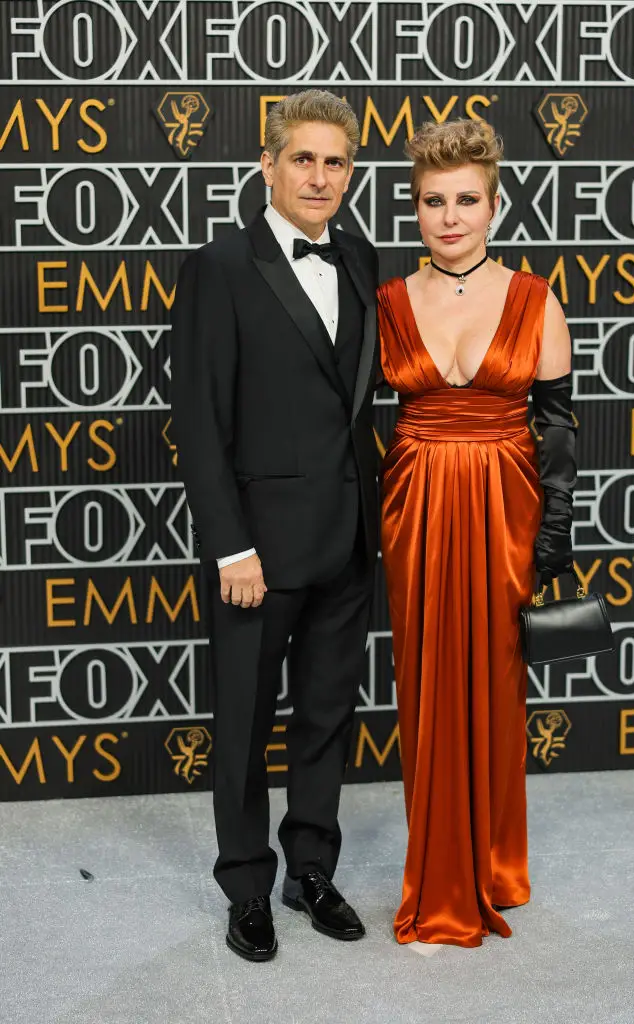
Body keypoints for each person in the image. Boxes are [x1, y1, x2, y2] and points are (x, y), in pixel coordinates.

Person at [171, 90, 379, 962]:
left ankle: (311, 871)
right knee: (245, 724)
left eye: (335, 162)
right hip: (256, 549)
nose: (319, 177)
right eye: (303, 159)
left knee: (326, 716)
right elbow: (198, 419)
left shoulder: (360, 254)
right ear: (267, 164)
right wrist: (231, 546)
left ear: (349, 173)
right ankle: (247, 885)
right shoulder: (220, 265)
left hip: (347, 537)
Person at [378, 119, 576, 947]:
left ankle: (493, 863)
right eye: (433, 201)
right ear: (414, 208)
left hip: (505, 506)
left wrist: (553, 531)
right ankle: (438, 874)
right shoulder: (389, 302)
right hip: (415, 505)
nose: (449, 217)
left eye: (465, 200)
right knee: (424, 684)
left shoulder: (534, 297)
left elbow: (556, 427)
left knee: (496, 684)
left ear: (494, 206)